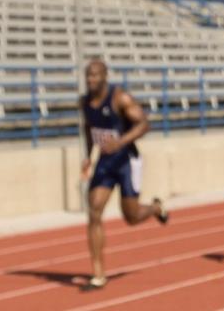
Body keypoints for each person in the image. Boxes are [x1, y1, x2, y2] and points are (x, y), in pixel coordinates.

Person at [80, 58, 168, 290]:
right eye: (88, 75)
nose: (91, 80)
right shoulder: (84, 102)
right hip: (105, 163)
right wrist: (88, 156)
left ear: (105, 76)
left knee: (131, 217)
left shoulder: (121, 98)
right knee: (94, 211)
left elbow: (144, 124)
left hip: (127, 160)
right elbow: (88, 128)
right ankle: (98, 274)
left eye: (95, 75)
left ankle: (156, 208)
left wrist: (120, 142)